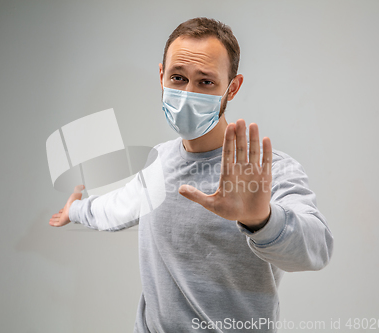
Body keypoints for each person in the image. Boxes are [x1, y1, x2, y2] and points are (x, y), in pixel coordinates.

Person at [49, 17, 333, 333]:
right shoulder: (158, 162)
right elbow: (115, 208)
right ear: (161, 76)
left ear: (232, 87)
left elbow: (316, 248)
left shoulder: (267, 171)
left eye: (206, 82)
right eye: (178, 77)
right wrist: (73, 209)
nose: (187, 93)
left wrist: (261, 220)